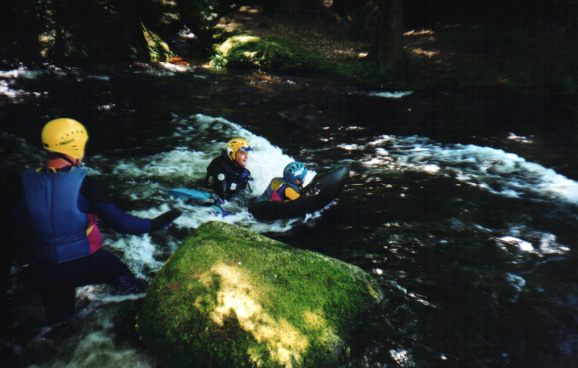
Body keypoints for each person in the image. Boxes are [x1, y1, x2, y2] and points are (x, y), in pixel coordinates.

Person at [10, 118, 182, 324]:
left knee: (60, 325)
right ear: (75, 147)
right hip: (88, 263)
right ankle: (147, 314)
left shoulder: (20, 184)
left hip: (46, 271)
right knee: (130, 284)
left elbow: (13, 231)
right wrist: (156, 224)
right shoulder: (87, 184)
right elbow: (122, 224)